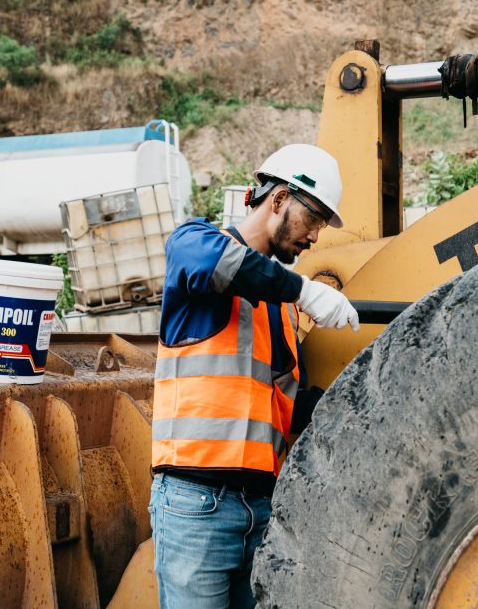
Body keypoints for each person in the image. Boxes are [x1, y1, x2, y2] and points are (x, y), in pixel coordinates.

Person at [149, 143, 360, 608]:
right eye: (315, 219)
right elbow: (211, 262)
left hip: (260, 508)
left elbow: (285, 403)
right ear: (280, 199)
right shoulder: (195, 244)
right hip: (195, 503)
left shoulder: (281, 308)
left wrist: (358, 402)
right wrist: (305, 290)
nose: (315, 238)